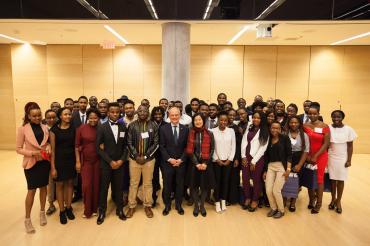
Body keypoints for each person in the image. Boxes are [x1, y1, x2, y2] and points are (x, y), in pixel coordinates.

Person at [16, 102, 51, 233]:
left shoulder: (45, 127)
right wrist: (32, 153)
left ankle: (42, 212)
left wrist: (48, 147)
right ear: (29, 116)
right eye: (34, 116)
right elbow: (18, 149)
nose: (37, 118)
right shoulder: (23, 129)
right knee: (31, 190)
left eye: (39, 115)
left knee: (43, 188)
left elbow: (47, 142)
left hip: (44, 162)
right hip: (31, 163)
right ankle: (27, 219)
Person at [96, 103, 128, 224]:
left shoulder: (123, 127)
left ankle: (120, 209)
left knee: (119, 188)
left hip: (120, 163)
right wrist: (110, 161)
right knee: (104, 188)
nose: (115, 114)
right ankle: (102, 211)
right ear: (108, 113)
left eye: (117, 112)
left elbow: (126, 147)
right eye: (112, 112)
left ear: (120, 112)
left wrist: (121, 160)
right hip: (106, 164)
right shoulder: (101, 127)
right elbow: (98, 148)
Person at [126, 105, 159, 219]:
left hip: (148, 160)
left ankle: (147, 205)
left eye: (144, 110)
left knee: (148, 184)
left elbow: (156, 143)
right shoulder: (132, 125)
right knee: (133, 183)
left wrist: (145, 156)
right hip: (134, 160)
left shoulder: (153, 125)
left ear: (148, 112)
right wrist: (136, 156)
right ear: (137, 112)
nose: (142, 112)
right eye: (140, 110)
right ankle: (131, 206)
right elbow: (128, 142)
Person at [160, 107, 189, 216]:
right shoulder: (163, 129)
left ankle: (178, 205)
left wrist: (181, 159)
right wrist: (169, 159)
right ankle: (167, 205)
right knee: (167, 185)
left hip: (181, 163)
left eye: (176, 115)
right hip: (168, 163)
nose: (174, 117)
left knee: (180, 185)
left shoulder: (185, 129)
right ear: (169, 116)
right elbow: (161, 146)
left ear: (180, 115)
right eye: (172, 115)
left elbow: (187, 147)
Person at [50, 107, 76, 224]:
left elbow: (76, 146)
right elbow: (53, 151)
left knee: (70, 183)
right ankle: (61, 210)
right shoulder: (54, 130)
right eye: (65, 114)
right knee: (59, 185)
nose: (68, 116)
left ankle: (69, 207)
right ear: (60, 116)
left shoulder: (74, 128)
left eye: (69, 114)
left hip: (71, 160)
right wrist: (53, 167)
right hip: (59, 161)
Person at [186, 113, 215, 217]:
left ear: (203, 121)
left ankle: (202, 205)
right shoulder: (190, 133)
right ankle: (196, 206)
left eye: (200, 120)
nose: (198, 122)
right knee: (193, 186)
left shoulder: (210, 133)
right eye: (196, 120)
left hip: (206, 164)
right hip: (194, 164)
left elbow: (212, 149)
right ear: (193, 122)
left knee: (204, 186)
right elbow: (189, 151)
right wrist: (197, 163)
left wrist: (205, 163)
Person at [303, 102, 330, 214]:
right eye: (310, 114)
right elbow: (304, 142)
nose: (312, 116)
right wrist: (308, 156)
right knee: (310, 178)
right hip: (308, 156)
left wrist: (316, 156)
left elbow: (326, 144)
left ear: (318, 114)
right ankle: (311, 201)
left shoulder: (324, 126)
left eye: (315, 114)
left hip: (321, 155)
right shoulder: (305, 126)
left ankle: (318, 204)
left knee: (319, 180)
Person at [328, 110, 357, 214]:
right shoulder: (328, 128)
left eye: (338, 117)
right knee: (332, 180)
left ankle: (339, 201)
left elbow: (350, 146)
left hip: (342, 158)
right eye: (334, 117)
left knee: (340, 180)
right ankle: (332, 199)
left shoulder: (348, 129)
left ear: (342, 117)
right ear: (331, 117)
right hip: (331, 157)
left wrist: (349, 160)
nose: (336, 119)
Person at [75, 108, 101, 218]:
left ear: (98, 118)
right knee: (86, 185)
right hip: (85, 160)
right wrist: (77, 162)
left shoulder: (102, 128)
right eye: (91, 118)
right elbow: (76, 146)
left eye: (95, 118)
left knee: (96, 185)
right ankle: (87, 209)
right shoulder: (81, 128)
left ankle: (95, 209)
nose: (93, 120)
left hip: (99, 160)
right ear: (87, 118)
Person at [241, 111, 269, 212]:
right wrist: (243, 156)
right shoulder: (249, 127)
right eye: (254, 117)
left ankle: (255, 200)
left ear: (262, 119)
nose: (255, 119)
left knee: (257, 180)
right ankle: (247, 197)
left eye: (258, 118)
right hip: (246, 156)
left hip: (257, 159)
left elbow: (263, 148)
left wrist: (254, 161)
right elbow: (244, 141)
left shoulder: (265, 130)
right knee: (245, 179)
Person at [263, 122, 292, 219]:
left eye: (277, 128)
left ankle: (281, 210)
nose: (274, 130)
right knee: (268, 190)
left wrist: (288, 169)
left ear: (280, 129)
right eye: (272, 128)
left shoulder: (285, 138)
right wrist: (265, 170)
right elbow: (266, 156)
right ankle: (274, 208)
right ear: (270, 128)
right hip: (270, 166)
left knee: (276, 190)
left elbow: (289, 155)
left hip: (281, 167)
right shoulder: (268, 138)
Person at [211, 111, 236, 213]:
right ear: (218, 120)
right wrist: (217, 159)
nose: (223, 122)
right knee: (217, 182)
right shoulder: (212, 131)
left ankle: (223, 201)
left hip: (227, 161)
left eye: (225, 120)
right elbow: (211, 147)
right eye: (221, 120)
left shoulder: (231, 131)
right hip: (216, 161)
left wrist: (230, 159)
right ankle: (217, 202)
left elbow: (233, 146)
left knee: (225, 182)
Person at [285, 116, 309, 212]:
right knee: (285, 179)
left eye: (296, 122)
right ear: (288, 123)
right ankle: (284, 198)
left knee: (297, 182)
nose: (293, 124)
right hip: (287, 159)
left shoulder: (304, 135)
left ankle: (293, 202)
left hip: (299, 159)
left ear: (299, 123)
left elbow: (306, 151)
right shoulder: (285, 134)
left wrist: (299, 165)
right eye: (291, 122)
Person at [71, 96, 88, 202]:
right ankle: (77, 193)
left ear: (87, 104)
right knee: (77, 172)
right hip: (76, 147)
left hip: (88, 148)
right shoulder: (72, 116)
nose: (82, 104)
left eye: (84, 102)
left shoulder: (91, 115)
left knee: (86, 171)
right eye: (81, 102)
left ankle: (86, 193)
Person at [150, 106, 167, 207]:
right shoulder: (149, 125)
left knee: (165, 177)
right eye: (155, 114)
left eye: (160, 114)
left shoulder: (166, 125)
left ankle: (166, 196)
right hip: (153, 156)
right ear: (153, 115)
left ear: (163, 115)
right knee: (154, 177)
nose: (158, 116)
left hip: (164, 156)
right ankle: (153, 198)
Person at [227, 109, 242, 205]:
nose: (232, 117)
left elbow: (238, 145)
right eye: (230, 115)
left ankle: (232, 199)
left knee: (233, 179)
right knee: (225, 179)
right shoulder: (221, 126)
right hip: (224, 157)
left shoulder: (237, 128)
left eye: (234, 115)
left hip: (234, 157)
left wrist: (236, 158)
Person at [44, 110, 57, 216]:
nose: (51, 119)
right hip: (47, 159)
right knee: (50, 182)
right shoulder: (42, 129)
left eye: (54, 117)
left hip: (60, 158)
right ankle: (51, 204)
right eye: (49, 117)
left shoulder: (60, 127)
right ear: (45, 118)